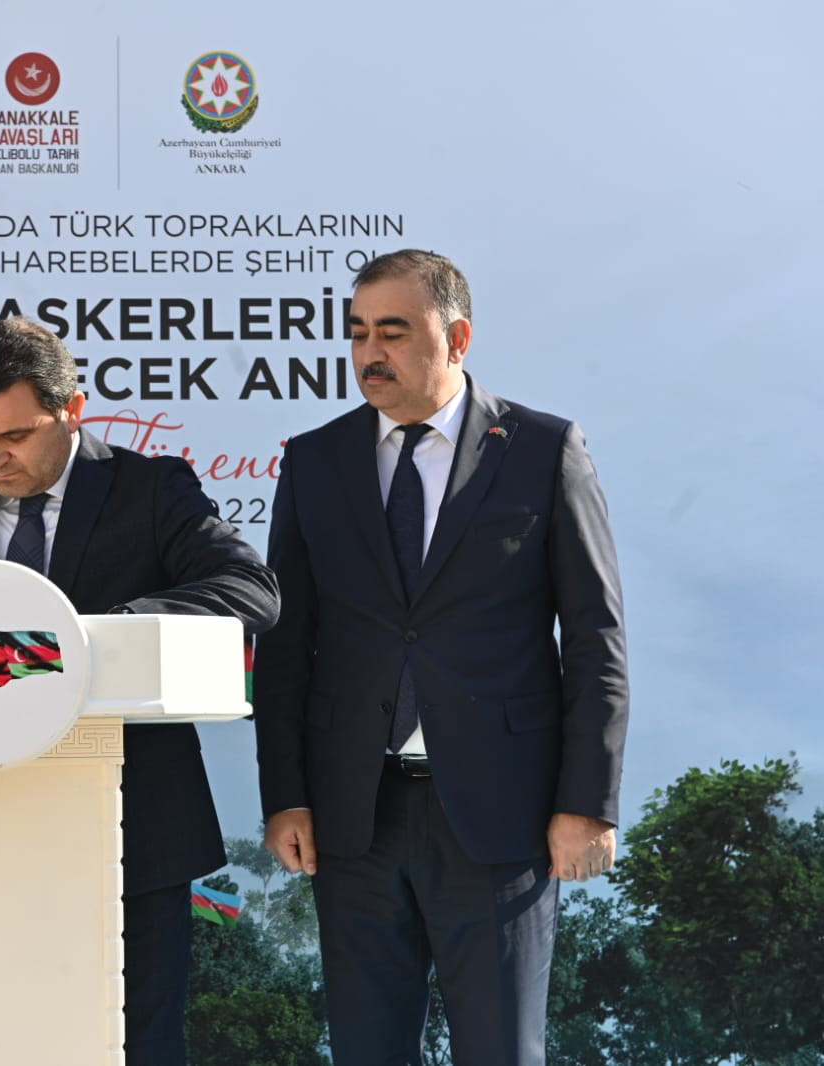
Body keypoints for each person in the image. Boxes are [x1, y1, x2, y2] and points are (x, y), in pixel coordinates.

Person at [254, 249, 629, 1064]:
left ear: (456, 338)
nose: (369, 353)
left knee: (500, 1051)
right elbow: (284, 644)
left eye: (392, 332)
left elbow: (594, 638)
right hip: (354, 818)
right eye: (357, 333)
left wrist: (587, 803)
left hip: (499, 816)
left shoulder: (542, 449)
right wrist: (285, 797)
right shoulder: (314, 460)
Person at [0, 316, 279, 1066]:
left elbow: (251, 590)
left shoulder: (150, 488)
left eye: (14, 436)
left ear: (72, 409)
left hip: (136, 829)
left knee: (141, 1047)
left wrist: (104, 636)